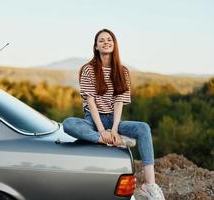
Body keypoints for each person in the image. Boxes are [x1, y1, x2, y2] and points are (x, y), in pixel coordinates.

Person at [63, 28, 165, 200]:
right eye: (101, 40)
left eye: (109, 39)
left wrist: (115, 129)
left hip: (114, 120)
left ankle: (150, 185)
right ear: (96, 46)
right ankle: (107, 140)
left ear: (114, 44)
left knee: (143, 128)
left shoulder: (122, 71)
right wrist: (103, 132)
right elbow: (91, 102)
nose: (106, 42)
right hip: (93, 121)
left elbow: (119, 103)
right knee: (68, 123)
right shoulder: (88, 70)